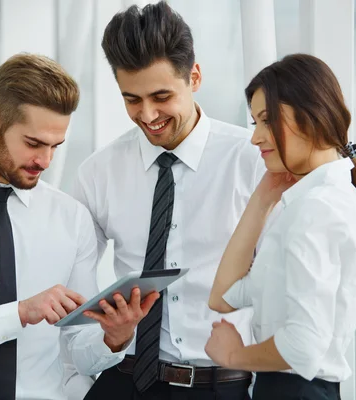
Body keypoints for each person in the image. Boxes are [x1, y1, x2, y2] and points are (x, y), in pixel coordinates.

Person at [0, 53, 159, 400]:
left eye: (55, 146)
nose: (44, 160)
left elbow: (77, 350)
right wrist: (19, 313)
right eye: (33, 144)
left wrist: (114, 338)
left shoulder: (71, 219)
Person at [72, 1, 264, 399]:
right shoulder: (98, 172)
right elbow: (74, 308)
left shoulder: (252, 160)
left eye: (161, 96)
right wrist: (111, 337)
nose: (147, 114)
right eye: (132, 99)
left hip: (220, 385)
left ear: (194, 77)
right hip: (125, 379)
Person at [206, 53, 356, 400]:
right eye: (255, 123)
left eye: (267, 121)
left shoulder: (317, 209)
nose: (256, 138)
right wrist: (261, 200)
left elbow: (303, 348)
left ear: (311, 117)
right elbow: (223, 297)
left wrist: (234, 357)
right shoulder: (314, 202)